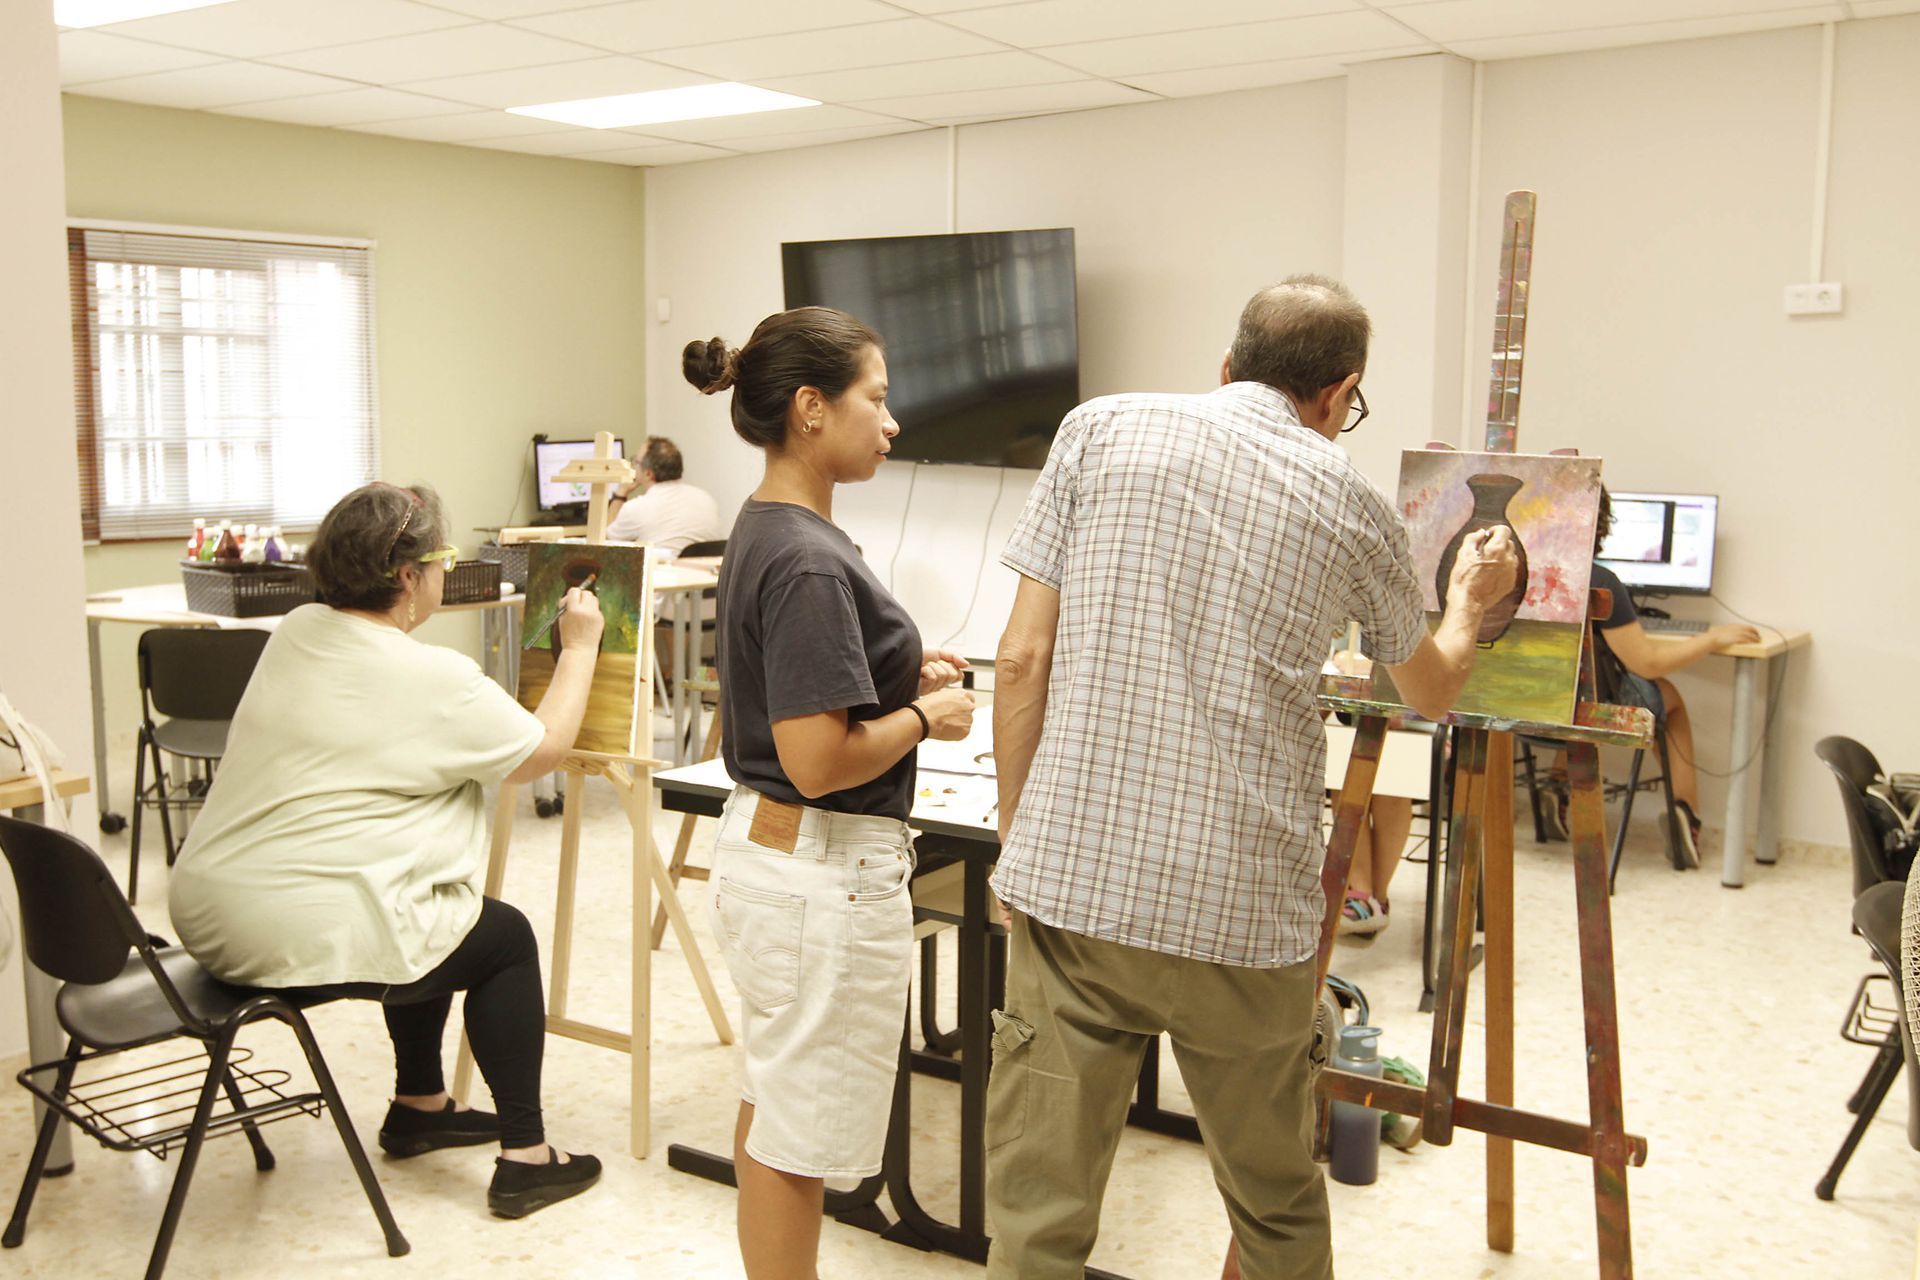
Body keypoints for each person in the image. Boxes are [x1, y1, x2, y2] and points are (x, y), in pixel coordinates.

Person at [987, 275, 1518, 1280]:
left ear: (1228, 365)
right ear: (1340, 393)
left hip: (1077, 892)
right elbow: (1431, 689)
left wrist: (1022, 842)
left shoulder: (1095, 430)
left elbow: (1020, 660)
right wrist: (1469, 599)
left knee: (1037, 1217)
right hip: (1242, 907)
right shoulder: (1350, 498)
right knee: (1275, 1209)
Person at [168, 481, 605, 1220]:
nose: (444, 571)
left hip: (208, 912)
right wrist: (581, 647)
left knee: (429, 900)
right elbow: (542, 751)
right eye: (442, 559)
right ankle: (527, 1159)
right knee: (502, 939)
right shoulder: (431, 678)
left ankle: (420, 1106)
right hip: (280, 931)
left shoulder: (297, 631)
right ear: (408, 577)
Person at [683, 307, 976, 1280]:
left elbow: (800, 685)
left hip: (775, 858)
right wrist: (927, 716)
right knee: (797, 1133)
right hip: (820, 869)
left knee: (777, 1101)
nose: (891, 422)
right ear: (811, 407)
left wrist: (892, 678)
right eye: (875, 399)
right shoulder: (809, 557)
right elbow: (817, 759)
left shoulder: (770, 527)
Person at [1552, 487, 1759, 866]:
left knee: (1569, 691)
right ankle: (1685, 814)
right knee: (1669, 699)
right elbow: (1646, 663)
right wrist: (1711, 639)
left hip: (1531, 707)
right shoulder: (1600, 581)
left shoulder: (1522, 572)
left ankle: (1557, 788)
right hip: (1590, 714)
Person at [605, 435, 725, 556]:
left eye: (636, 462)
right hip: (707, 568)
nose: (634, 466)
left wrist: (621, 493)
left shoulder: (637, 508)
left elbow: (607, 541)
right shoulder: (706, 499)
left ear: (648, 473)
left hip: (665, 568)